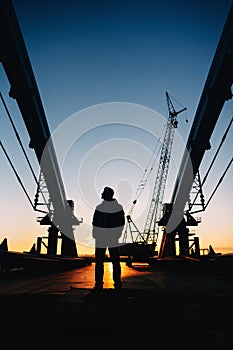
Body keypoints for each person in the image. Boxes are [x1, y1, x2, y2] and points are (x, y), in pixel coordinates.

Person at [92, 186, 125, 291]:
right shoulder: (99, 207)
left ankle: (117, 282)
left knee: (114, 260)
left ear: (108, 194)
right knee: (99, 261)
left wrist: (117, 234)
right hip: (101, 237)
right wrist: (95, 233)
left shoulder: (117, 207)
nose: (101, 194)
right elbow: (95, 222)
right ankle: (99, 282)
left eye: (103, 193)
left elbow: (121, 222)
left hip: (111, 237)